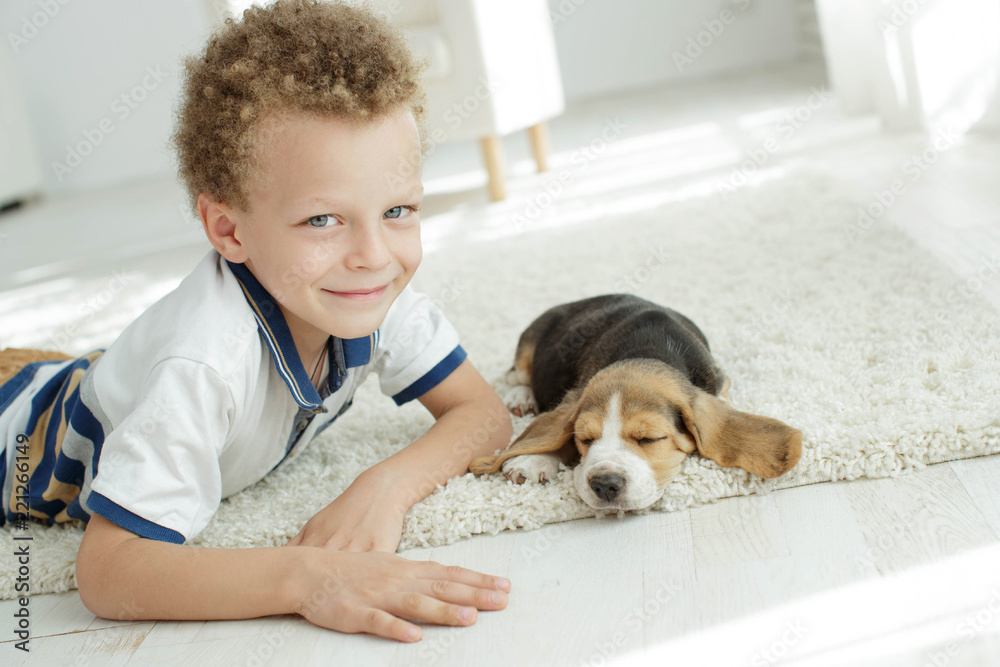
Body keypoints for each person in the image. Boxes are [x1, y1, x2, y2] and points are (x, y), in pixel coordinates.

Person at [0, 0, 513, 642]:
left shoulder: (370, 288)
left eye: (399, 209)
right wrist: (307, 578)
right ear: (227, 228)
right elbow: (109, 572)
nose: (374, 256)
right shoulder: (203, 366)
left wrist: (384, 487)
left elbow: (484, 414)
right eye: (322, 220)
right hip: (21, 428)